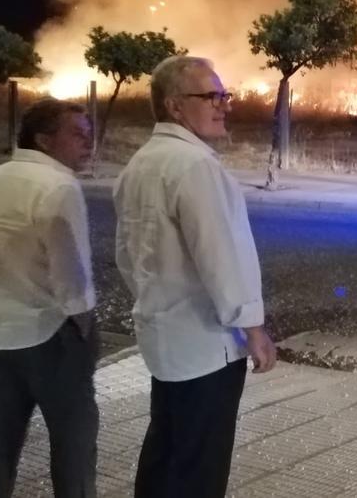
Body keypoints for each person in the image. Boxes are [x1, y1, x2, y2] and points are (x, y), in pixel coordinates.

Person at [114, 55, 276, 498]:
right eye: (211, 96)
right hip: (207, 346)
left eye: (225, 95)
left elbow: (127, 256)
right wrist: (254, 329)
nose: (224, 105)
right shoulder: (196, 167)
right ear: (174, 106)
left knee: (165, 452)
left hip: (164, 339)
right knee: (199, 468)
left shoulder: (140, 164)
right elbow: (223, 256)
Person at [0, 98, 98, 498]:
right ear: (44, 140)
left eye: (89, 133)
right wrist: (83, 330)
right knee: (73, 444)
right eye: (77, 133)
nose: (88, 141)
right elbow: (72, 278)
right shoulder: (59, 187)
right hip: (51, 336)